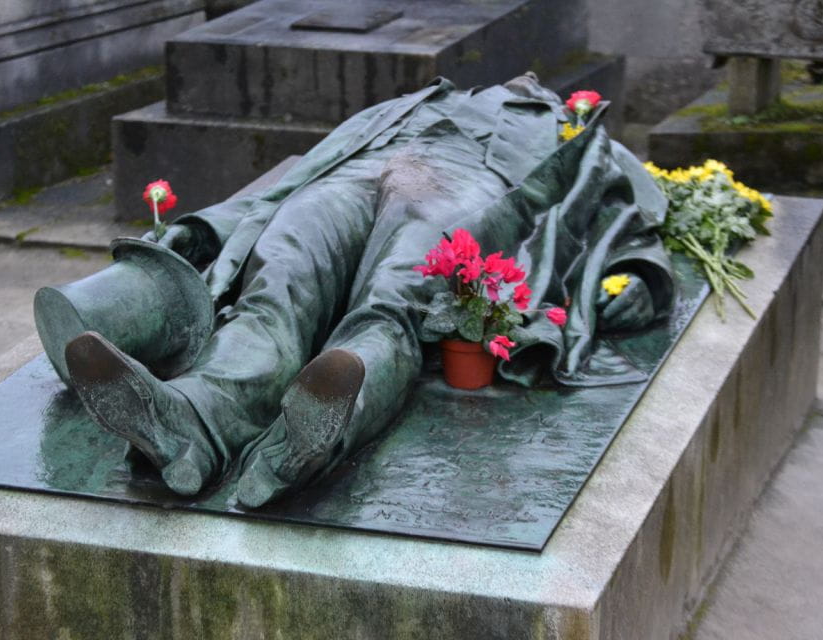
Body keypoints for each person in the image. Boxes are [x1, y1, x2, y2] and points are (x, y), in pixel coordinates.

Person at [45, 72, 675, 508]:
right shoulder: (416, 102)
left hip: (470, 191)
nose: (524, 83)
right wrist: (210, 226)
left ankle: (307, 439)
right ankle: (186, 423)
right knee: (280, 277)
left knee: (393, 302)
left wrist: (642, 274)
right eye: (515, 80)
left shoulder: (575, 132)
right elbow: (304, 170)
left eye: (535, 85)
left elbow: (630, 209)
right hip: (361, 175)